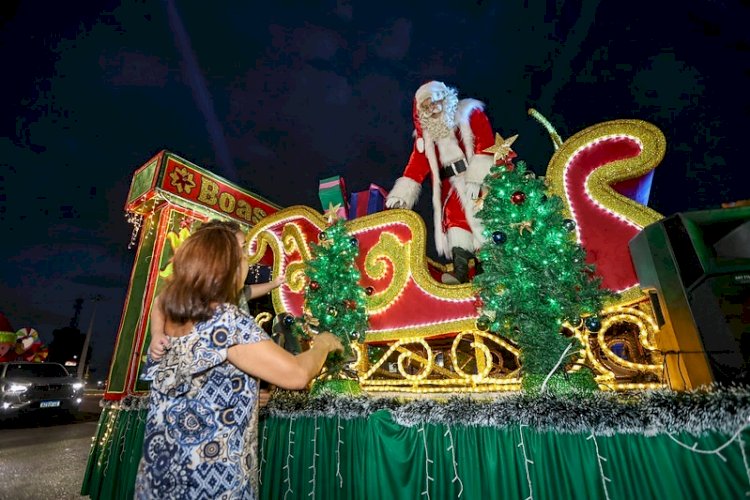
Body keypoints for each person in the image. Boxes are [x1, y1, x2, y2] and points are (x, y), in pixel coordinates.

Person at [134, 220, 343, 499]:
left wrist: (243, 396)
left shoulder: (176, 317)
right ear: (224, 264)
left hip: (160, 479)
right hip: (209, 482)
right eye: (242, 251)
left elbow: (196, 388)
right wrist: (323, 345)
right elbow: (296, 374)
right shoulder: (225, 320)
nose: (247, 259)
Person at [385, 80, 500, 283]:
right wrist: (401, 195)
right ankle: (460, 271)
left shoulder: (469, 113)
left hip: (475, 179)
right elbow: (417, 165)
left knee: (482, 218)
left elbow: (485, 144)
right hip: (450, 186)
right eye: (426, 108)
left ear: (444, 98)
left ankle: (488, 268)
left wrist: (477, 178)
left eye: (434, 103)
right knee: (454, 222)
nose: (432, 110)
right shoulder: (427, 136)